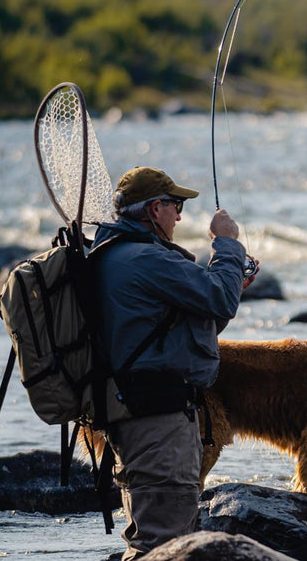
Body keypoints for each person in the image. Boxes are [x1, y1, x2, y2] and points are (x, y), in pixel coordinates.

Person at [94, 166, 255, 560]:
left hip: (135, 415)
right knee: (164, 545)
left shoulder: (112, 255)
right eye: (175, 205)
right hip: (158, 424)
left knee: (151, 540)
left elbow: (178, 329)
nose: (180, 215)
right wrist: (227, 245)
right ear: (154, 209)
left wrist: (230, 282)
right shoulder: (147, 259)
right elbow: (219, 299)